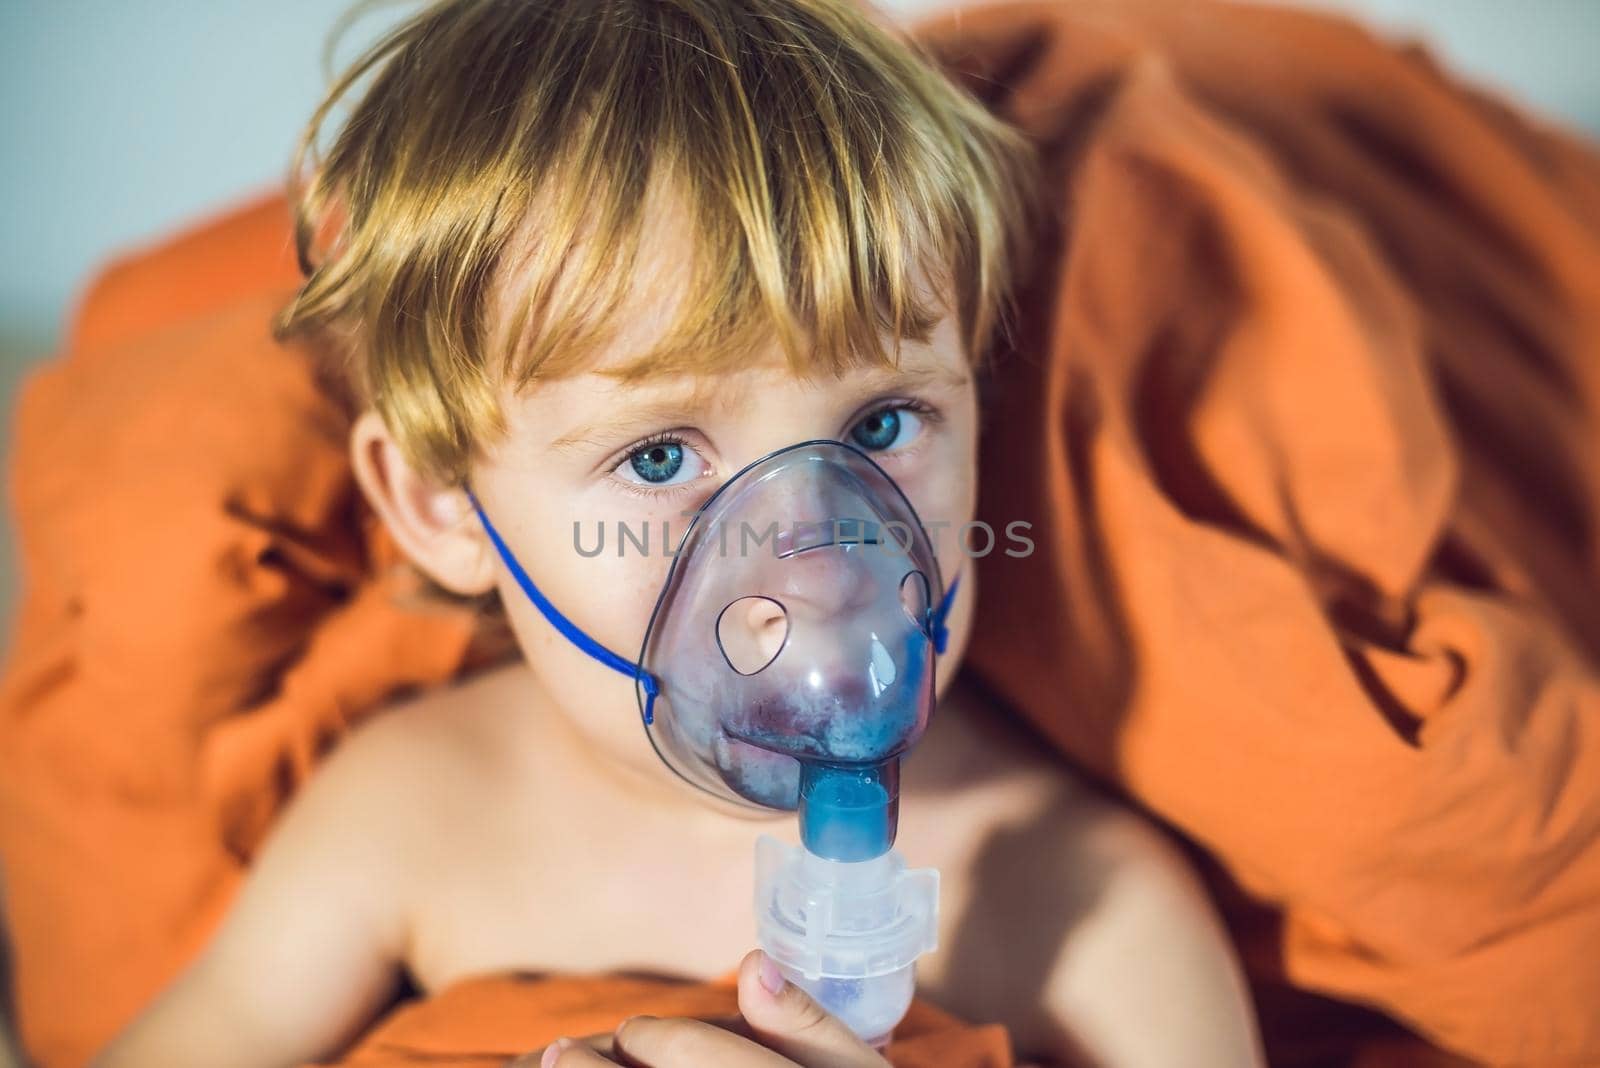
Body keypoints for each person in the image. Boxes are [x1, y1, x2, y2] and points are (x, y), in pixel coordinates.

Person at [92, 0, 1264, 1064]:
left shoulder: (1088, 906)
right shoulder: (407, 817)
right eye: (659, 455)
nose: (810, 553)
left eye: (883, 419)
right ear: (442, 506)